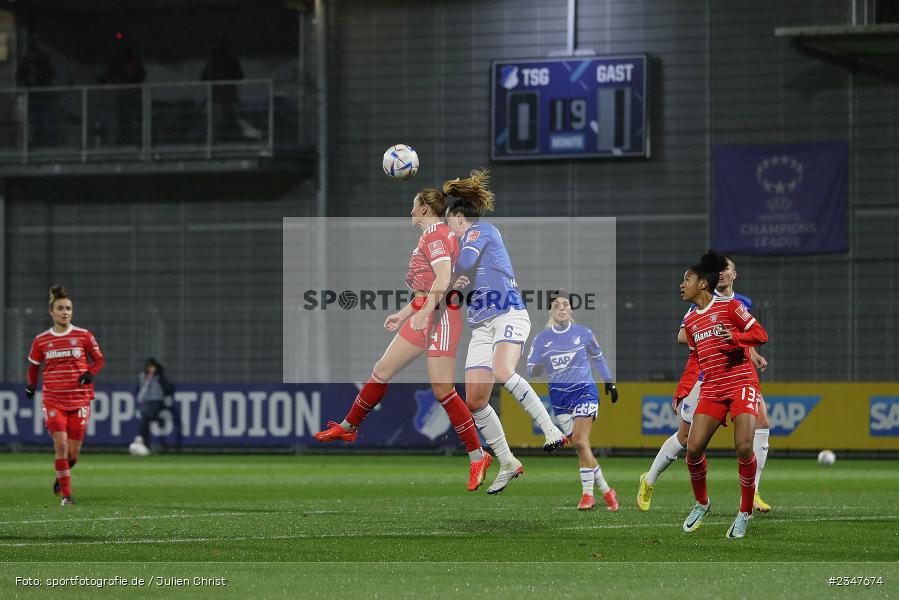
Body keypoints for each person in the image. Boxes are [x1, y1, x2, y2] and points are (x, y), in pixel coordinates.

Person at [313, 188, 492, 492]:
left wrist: (425, 314)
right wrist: (406, 313)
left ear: (424, 209)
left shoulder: (435, 235)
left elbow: (443, 277)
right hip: (425, 311)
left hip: (441, 317)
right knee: (382, 370)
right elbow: (427, 288)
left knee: (443, 391)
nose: (410, 210)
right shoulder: (435, 234)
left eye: (413, 205)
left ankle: (478, 455)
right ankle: (348, 427)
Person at [445, 169, 568, 495]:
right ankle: (507, 460)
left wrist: (445, 280)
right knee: (475, 400)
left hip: (508, 314)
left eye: (448, 221)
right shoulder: (461, 242)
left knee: (502, 370)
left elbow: (465, 265)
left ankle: (549, 428)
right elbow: (460, 286)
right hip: (482, 325)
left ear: (459, 217)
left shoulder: (479, 231)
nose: (447, 228)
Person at [638, 255, 773, 512]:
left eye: (726, 269)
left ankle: (752, 491)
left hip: (736, 375)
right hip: (705, 377)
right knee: (686, 438)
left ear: (734, 274)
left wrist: (752, 353)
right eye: (718, 270)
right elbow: (686, 338)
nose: (721, 273)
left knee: (762, 422)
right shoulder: (697, 306)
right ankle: (650, 478)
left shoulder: (740, 303)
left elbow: (747, 335)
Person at [677, 251, 768, 538]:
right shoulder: (691, 323)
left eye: (687, 279)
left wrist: (737, 339)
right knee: (692, 449)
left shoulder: (730, 308)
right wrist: (683, 389)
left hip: (741, 383)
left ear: (703, 284)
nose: (682, 285)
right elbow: (696, 359)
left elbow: (760, 334)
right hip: (713, 388)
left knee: (743, 447)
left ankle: (744, 511)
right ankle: (702, 503)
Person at [526, 291, 620, 511]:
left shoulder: (583, 333)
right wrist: (537, 369)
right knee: (582, 446)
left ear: (570, 310)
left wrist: (609, 382)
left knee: (579, 440)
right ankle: (606, 490)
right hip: (559, 399)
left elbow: (598, 357)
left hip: (584, 392)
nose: (561, 308)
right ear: (550, 310)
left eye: (565, 304)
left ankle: (588, 495)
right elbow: (531, 367)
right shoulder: (542, 339)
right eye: (556, 305)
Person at [26, 286, 105, 506]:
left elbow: (99, 360)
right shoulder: (41, 340)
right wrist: (31, 386)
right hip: (53, 400)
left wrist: (90, 374)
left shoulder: (83, 335)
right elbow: (33, 367)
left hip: (79, 400)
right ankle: (67, 496)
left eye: (68, 308)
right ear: (51, 312)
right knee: (60, 445)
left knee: (72, 456)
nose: (65, 312)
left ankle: (61, 477)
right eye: (60, 308)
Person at [98, 34, 146, 147]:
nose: (120, 47)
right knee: (124, 119)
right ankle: (125, 142)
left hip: (132, 94)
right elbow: (108, 75)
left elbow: (141, 74)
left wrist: (129, 78)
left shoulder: (132, 60)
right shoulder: (115, 61)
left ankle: (137, 142)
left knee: (134, 118)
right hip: (122, 95)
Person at [129, 358, 176, 457]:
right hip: (145, 402)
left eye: (152, 367)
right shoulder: (142, 377)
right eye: (149, 367)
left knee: (146, 418)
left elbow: (168, 389)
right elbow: (137, 389)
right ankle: (145, 444)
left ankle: (139, 439)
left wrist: (159, 379)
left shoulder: (159, 377)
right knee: (145, 421)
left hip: (156, 402)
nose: (151, 369)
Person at [200, 35, 244, 142]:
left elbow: (240, 76)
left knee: (231, 119)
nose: (218, 48)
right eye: (216, 45)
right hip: (216, 97)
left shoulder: (232, 60)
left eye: (220, 45)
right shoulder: (212, 61)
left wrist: (227, 77)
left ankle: (231, 140)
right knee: (214, 120)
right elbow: (203, 77)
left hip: (229, 97)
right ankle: (214, 141)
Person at [16, 40, 56, 147]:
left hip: (42, 96)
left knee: (44, 120)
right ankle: (32, 142)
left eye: (33, 54)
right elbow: (19, 76)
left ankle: (47, 141)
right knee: (32, 121)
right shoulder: (25, 64)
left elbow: (50, 73)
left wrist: (39, 77)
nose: (32, 56)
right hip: (31, 97)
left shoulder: (42, 62)